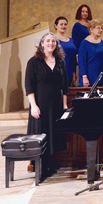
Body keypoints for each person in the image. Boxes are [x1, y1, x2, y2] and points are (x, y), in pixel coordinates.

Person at [25, 32, 68, 178]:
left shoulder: (61, 61)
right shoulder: (33, 62)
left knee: (52, 135)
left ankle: (49, 165)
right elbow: (29, 86)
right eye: (48, 41)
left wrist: (64, 105)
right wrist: (33, 106)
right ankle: (39, 168)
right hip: (40, 105)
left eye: (53, 41)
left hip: (56, 105)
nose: (51, 43)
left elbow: (64, 86)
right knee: (41, 134)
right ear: (42, 44)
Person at [78, 19, 103, 87]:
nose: (101, 30)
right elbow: (82, 62)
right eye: (98, 28)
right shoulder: (84, 43)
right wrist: (84, 77)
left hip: (101, 76)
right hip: (90, 77)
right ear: (91, 29)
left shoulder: (102, 42)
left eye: (101, 28)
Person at [53, 17, 77, 86]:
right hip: (57, 71)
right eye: (61, 24)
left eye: (65, 24)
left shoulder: (71, 40)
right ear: (55, 26)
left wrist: (74, 71)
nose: (63, 26)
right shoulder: (53, 40)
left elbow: (73, 57)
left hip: (69, 71)